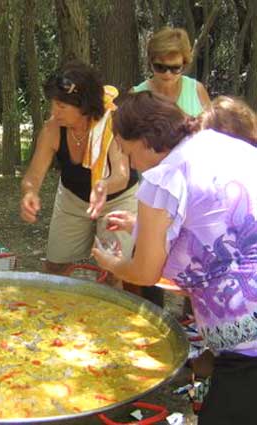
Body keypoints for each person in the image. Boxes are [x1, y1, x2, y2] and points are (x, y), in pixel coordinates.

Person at [92, 91, 257, 425]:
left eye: (126, 147)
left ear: (146, 139)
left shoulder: (161, 177)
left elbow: (145, 272)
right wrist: (142, 224)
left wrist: (111, 263)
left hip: (247, 337)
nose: (128, 158)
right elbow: (213, 218)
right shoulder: (217, 143)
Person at [20, 61, 139, 276]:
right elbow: (33, 174)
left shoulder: (111, 123)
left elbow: (121, 176)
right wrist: (30, 192)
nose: (54, 112)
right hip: (72, 199)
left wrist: (101, 187)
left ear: (83, 107)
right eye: (53, 104)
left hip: (116, 200)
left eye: (62, 106)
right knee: (56, 266)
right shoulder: (52, 129)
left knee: (113, 269)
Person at [133, 27, 211, 116]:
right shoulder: (135, 95)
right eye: (160, 67)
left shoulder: (197, 91)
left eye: (175, 68)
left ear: (184, 65)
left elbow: (213, 128)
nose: (167, 74)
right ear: (150, 63)